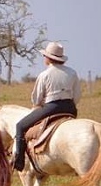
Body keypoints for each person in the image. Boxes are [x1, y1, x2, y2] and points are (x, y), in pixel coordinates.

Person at [11, 41, 81, 171]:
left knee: (20, 126)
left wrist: (43, 104)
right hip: (70, 108)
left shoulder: (45, 75)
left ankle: (19, 162)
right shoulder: (72, 73)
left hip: (51, 108)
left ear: (48, 58)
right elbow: (77, 96)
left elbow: (36, 99)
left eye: (45, 56)